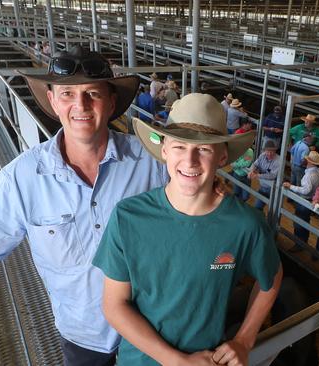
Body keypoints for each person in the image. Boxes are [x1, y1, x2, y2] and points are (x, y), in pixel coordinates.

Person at [0, 47, 168, 366]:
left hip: (152, 334)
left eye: (92, 94)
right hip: (83, 340)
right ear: (53, 101)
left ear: (111, 102)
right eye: (68, 94)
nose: (80, 105)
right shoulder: (22, 178)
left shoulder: (155, 162)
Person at [93, 93, 283, 366]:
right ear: (165, 150)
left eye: (204, 148)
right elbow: (114, 305)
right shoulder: (128, 217)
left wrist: (245, 338)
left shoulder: (246, 225)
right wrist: (177, 361)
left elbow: (273, 276)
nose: (190, 160)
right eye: (180, 146)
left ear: (222, 156)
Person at [283, 151, 319, 247]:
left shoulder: (309, 175)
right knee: (305, 221)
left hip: (304, 200)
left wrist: (291, 187)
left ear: (310, 162)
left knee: (299, 222)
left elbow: (306, 190)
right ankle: (303, 242)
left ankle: (299, 243)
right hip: (311, 199)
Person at [249, 140, 281, 211]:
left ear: (275, 151)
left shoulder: (278, 160)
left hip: (274, 189)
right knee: (257, 207)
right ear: (264, 150)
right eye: (267, 151)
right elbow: (255, 164)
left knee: (273, 210)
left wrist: (258, 175)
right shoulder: (262, 155)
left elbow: (272, 175)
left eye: (272, 151)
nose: (269, 153)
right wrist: (251, 170)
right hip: (263, 186)